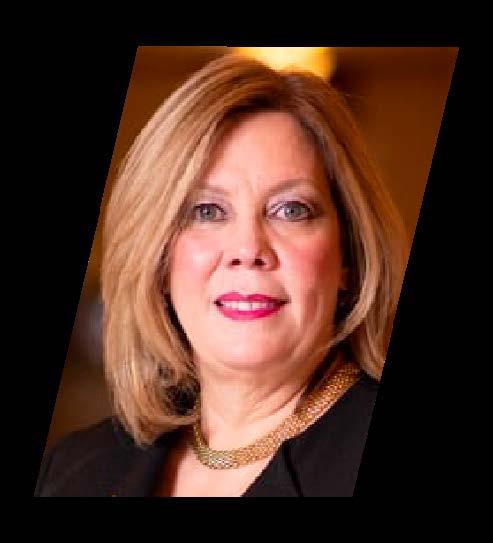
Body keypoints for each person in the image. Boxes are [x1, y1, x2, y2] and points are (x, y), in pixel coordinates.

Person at [35, 52, 408, 497]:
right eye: (207, 211)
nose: (248, 249)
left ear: (348, 255)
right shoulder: (73, 470)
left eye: (290, 210)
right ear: (159, 258)